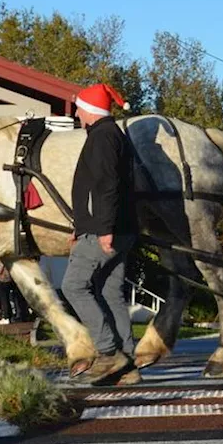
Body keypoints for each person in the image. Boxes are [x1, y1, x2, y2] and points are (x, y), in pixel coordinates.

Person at [61, 82, 139, 386]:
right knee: (109, 292)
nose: (78, 113)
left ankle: (108, 353)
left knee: (73, 286)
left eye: (80, 107)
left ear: (91, 110)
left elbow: (107, 186)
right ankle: (128, 366)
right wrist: (80, 226)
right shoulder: (111, 135)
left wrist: (102, 230)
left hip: (104, 230)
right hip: (117, 228)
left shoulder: (102, 138)